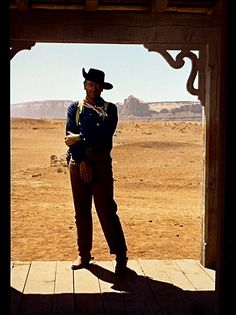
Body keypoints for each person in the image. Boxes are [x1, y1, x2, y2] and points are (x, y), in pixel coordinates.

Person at [65, 67, 128, 274]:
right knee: (81, 212)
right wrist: (81, 160)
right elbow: (69, 138)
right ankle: (84, 254)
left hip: (101, 164)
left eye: (98, 85)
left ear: (103, 87)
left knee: (107, 210)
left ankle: (120, 255)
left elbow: (105, 134)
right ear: (85, 85)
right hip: (78, 164)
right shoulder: (74, 108)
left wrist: (80, 137)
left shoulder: (110, 109)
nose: (94, 88)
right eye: (90, 84)